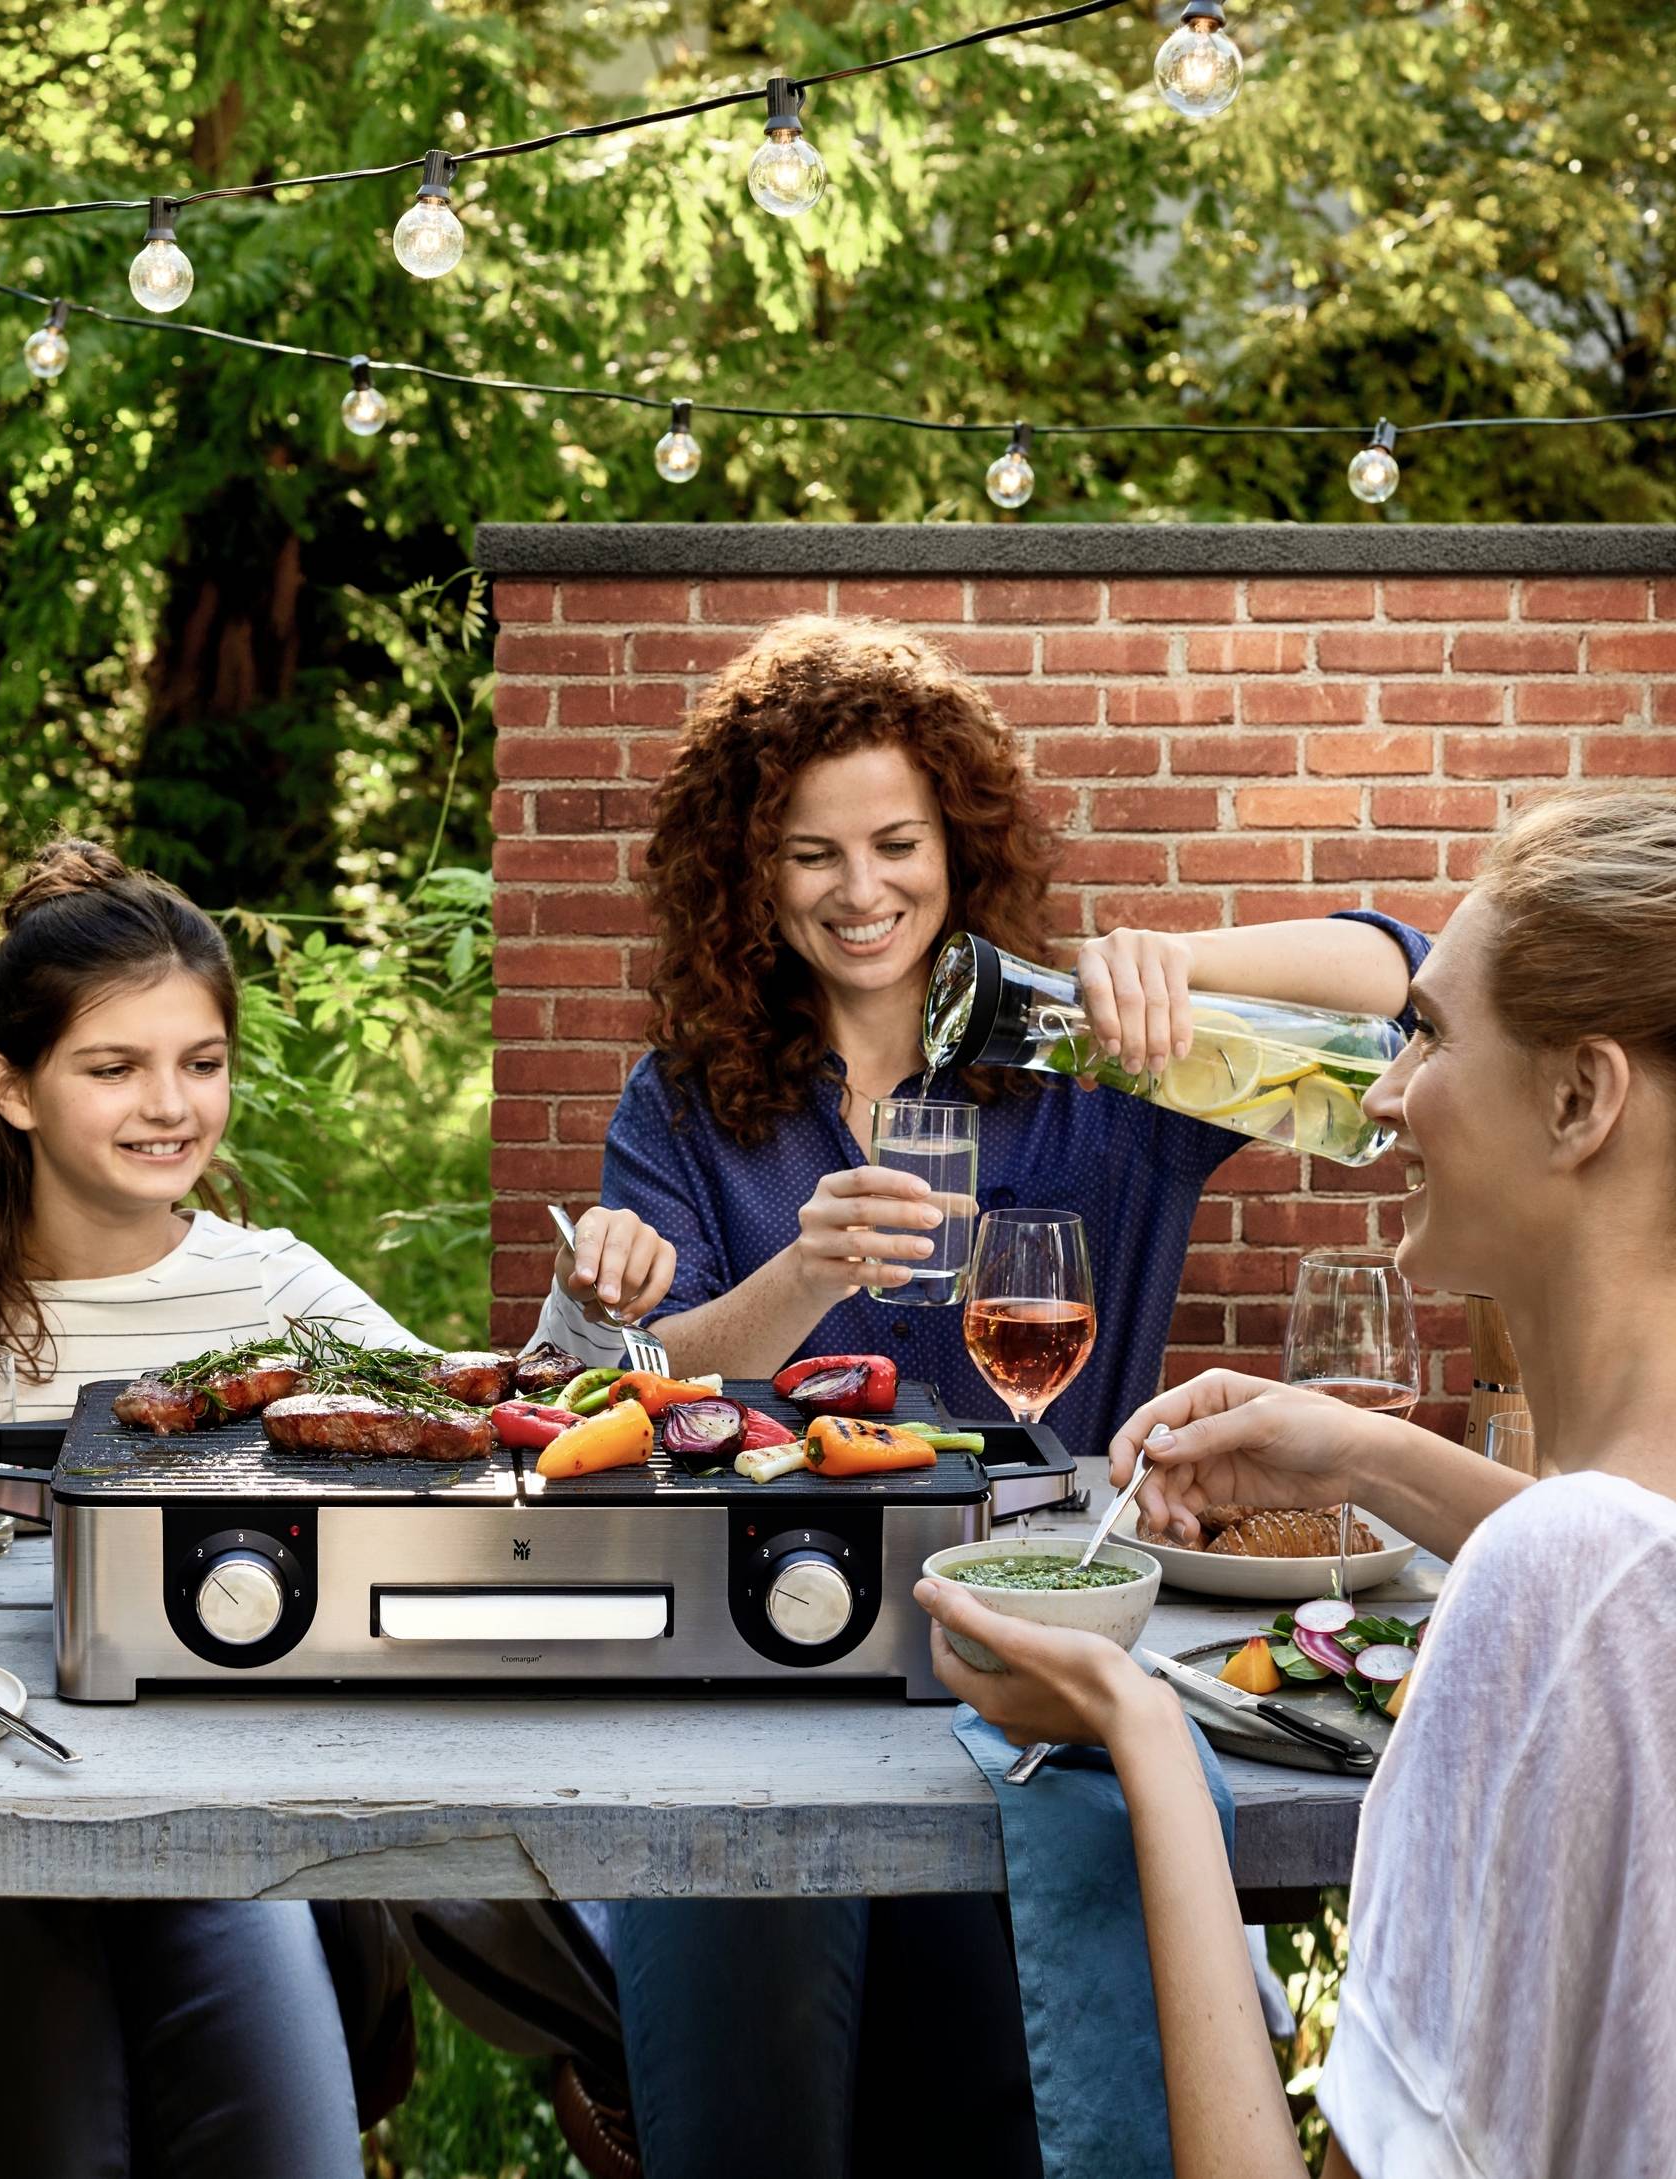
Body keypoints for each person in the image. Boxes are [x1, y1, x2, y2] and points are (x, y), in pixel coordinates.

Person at [581, 616, 1433, 2178]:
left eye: (897, 842)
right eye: (809, 854)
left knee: (992, 2061)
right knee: (750, 1971)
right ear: (747, 876)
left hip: (1035, 1625)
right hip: (779, 1623)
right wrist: (802, 1279)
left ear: (955, 846)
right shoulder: (689, 1098)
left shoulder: (1090, 1061)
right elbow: (641, 1386)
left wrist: (1171, 966)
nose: (860, 891)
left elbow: (1405, 982)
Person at [921, 789, 1676, 2178]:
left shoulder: (1553, 1594)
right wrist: (1358, 1449)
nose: (1384, 1094)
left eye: (1429, 1036)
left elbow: (1592, 1587)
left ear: (1582, 1099)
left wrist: (1141, 1726)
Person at [0, 839, 674, 2179]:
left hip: (221, 1787)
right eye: (114, 1068)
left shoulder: (270, 1286)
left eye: (202, 1063)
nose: (169, 1105)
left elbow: (480, 1423)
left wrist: (593, 1305)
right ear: (11, 1087)